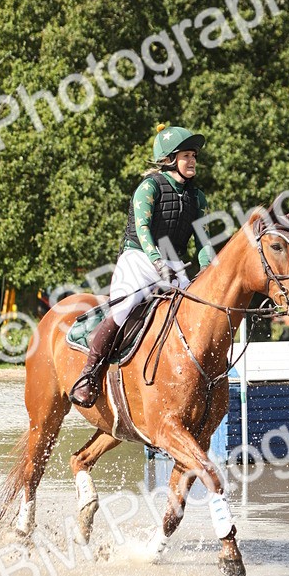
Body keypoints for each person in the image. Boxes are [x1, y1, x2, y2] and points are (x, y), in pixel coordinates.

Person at [70, 125, 215, 407]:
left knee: (201, 312)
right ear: (170, 158)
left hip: (174, 263)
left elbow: (204, 242)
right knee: (124, 308)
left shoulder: (198, 198)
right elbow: (143, 228)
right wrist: (156, 260)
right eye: (187, 155)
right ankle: (89, 375)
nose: (193, 160)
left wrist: (211, 272)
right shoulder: (148, 188)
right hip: (139, 258)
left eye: (194, 155)